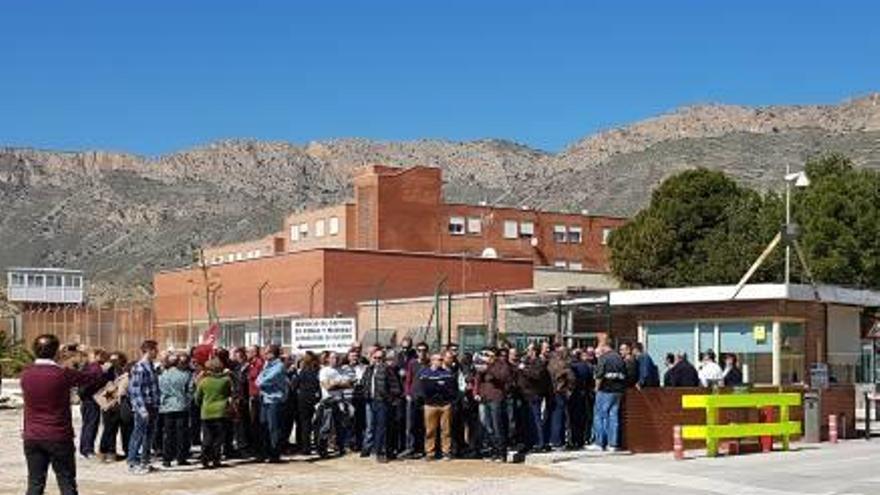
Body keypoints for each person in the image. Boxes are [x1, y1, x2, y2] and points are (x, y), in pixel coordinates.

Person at [21, 334, 105, 495]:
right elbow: (94, 378)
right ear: (56, 352)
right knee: (66, 483)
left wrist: (56, 353)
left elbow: (45, 369)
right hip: (58, 436)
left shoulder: (26, 374)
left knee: (35, 484)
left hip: (32, 436)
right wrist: (92, 359)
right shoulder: (62, 374)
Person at [361, 347, 401, 462]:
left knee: (382, 427)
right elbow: (364, 383)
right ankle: (373, 450)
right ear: (371, 358)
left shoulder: (387, 369)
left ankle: (382, 452)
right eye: (375, 357)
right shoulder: (369, 369)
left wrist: (389, 398)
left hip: (382, 402)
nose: (378, 360)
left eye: (380, 358)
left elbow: (395, 387)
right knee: (371, 426)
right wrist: (365, 394)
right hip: (370, 400)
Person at [127, 340, 160, 475]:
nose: (157, 352)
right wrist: (142, 410)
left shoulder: (151, 366)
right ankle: (133, 462)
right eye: (155, 350)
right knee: (138, 434)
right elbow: (135, 391)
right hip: (144, 407)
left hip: (153, 405)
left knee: (149, 435)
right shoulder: (139, 367)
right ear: (148, 350)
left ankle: (145, 461)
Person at [195, 358, 233, 469]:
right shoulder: (226, 380)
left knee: (207, 437)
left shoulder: (204, 381)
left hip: (206, 412)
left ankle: (205, 459)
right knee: (218, 438)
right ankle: (216, 459)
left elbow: (197, 398)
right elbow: (230, 392)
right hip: (221, 411)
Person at [476, 348, 512, 462]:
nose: (486, 356)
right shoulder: (484, 365)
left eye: (488, 354)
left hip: (496, 398)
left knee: (498, 426)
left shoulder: (501, 365)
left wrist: (490, 367)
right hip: (485, 398)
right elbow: (478, 380)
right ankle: (493, 451)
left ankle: (501, 453)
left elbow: (503, 377)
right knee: (488, 426)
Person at [589, 343, 627, 452]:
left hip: (605, 390)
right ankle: (613, 444)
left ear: (604, 348)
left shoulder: (604, 358)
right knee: (613, 416)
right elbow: (625, 374)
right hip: (618, 391)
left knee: (600, 415)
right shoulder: (620, 359)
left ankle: (600, 443)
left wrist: (596, 388)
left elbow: (599, 375)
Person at [158, 352, 194, 467]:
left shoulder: (163, 374)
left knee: (168, 433)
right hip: (181, 406)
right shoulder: (187, 375)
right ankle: (181, 457)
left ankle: (167, 459)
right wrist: (187, 400)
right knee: (181, 433)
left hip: (166, 406)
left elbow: (160, 390)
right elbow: (191, 389)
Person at [419, 353, 456, 460]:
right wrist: (438, 386)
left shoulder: (447, 373)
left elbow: (451, 389)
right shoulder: (425, 373)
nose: (440, 361)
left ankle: (446, 452)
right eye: (438, 359)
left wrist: (444, 393)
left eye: (441, 359)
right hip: (430, 405)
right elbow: (425, 389)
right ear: (432, 360)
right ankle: (430, 453)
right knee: (430, 430)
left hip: (445, 405)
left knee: (446, 430)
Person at [256, 344, 289, 463]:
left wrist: (261, 381)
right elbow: (258, 380)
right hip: (265, 399)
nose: (264, 354)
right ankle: (266, 452)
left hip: (274, 400)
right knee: (263, 426)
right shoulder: (267, 365)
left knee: (274, 428)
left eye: (266, 352)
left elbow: (264, 381)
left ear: (272, 353)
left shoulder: (279, 366)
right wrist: (261, 381)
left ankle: (275, 454)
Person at [317, 351, 353, 457]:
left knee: (341, 426)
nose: (335, 360)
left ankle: (341, 447)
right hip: (328, 401)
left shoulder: (341, 370)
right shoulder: (324, 371)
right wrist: (339, 384)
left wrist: (335, 383)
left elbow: (349, 384)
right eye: (333, 358)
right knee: (326, 426)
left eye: (337, 358)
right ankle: (322, 449)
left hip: (340, 400)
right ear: (328, 359)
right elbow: (327, 386)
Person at [96, 352, 130, 462]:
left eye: (116, 360)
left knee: (116, 428)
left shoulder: (123, 371)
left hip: (117, 402)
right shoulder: (106, 370)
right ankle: (105, 451)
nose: (114, 362)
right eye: (112, 360)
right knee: (109, 428)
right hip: (108, 401)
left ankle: (112, 452)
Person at [78, 348, 111, 460]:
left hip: (88, 400)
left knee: (88, 425)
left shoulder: (87, 366)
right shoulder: (94, 367)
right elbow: (94, 379)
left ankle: (85, 448)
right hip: (91, 400)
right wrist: (103, 371)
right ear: (96, 355)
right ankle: (88, 450)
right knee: (91, 425)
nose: (105, 358)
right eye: (102, 355)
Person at [517, 345, 549, 453]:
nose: (527, 352)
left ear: (534, 352)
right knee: (527, 420)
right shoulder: (527, 362)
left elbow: (536, 375)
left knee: (536, 419)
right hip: (525, 394)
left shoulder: (539, 363)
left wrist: (524, 369)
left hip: (534, 394)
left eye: (529, 350)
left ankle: (540, 443)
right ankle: (529, 442)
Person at [402, 342, 430, 459]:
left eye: (424, 350)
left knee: (424, 425)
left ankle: (423, 449)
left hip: (426, 399)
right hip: (413, 397)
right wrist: (407, 393)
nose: (421, 353)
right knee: (410, 425)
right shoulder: (412, 363)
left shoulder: (430, 364)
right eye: (419, 350)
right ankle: (410, 448)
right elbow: (408, 379)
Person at [547, 346, 575, 450]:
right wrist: (569, 391)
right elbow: (571, 378)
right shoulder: (564, 364)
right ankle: (558, 441)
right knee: (560, 417)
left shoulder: (550, 363)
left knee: (552, 416)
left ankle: (553, 439)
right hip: (561, 392)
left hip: (551, 392)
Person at [293, 352, 321, 455]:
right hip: (313, 399)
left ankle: (305, 447)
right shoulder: (316, 371)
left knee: (304, 424)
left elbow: (294, 385)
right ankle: (312, 445)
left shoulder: (303, 372)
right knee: (311, 423)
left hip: (303, 400)